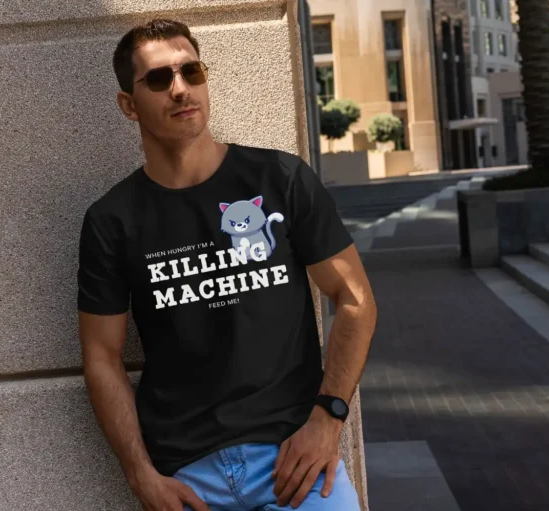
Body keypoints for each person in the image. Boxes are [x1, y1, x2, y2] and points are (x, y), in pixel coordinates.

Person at [76, 19, 377, 511]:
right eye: (158, 79)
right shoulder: (113, 220)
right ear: (129, 105)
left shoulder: (280, 179)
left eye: (191, 71)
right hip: (187, 480)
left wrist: (328, 420)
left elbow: (355, 299)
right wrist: (141, 477)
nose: (180, 89)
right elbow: (102, 358)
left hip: (292, 465)